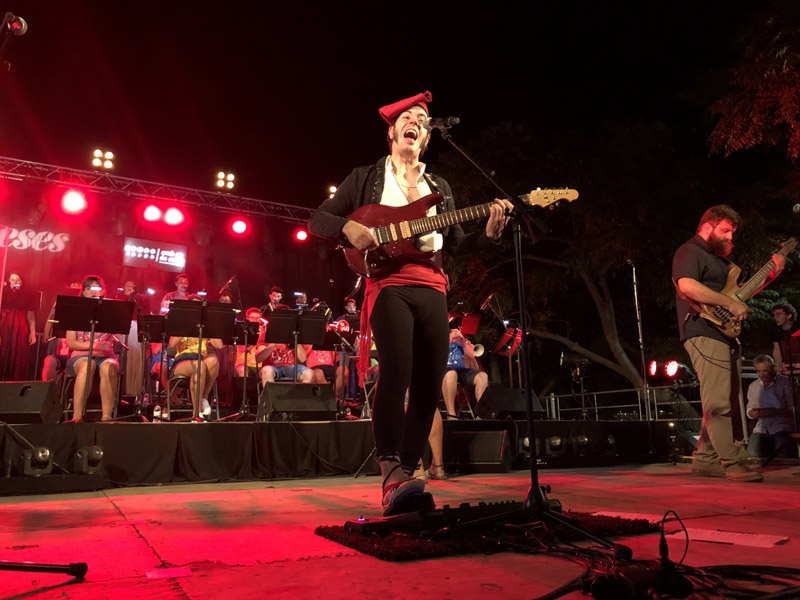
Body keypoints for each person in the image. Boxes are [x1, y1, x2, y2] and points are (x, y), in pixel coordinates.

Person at [308, 91, 512, 515]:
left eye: (423, 118)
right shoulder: (365, 176)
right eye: (409, 116)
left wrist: (488, 236)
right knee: (397, 370)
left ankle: (408, 471)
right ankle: (389, 470)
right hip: (388, 285)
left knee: (429, 382)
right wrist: (349, 229)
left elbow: (457, 244)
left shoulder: (439, 187)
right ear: (392, 132)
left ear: (426, 137)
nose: (417, 121)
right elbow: (318, 220)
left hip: (432, 286)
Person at [673, 205, 785, 482]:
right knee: (721, 402)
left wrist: (772, 272)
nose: (730, 238)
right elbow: (686, 285)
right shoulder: (690, 251)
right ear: (707, 227)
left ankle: (706, 459)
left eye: (732, 233)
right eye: (725, 231)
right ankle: (733, 462)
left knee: (722, 398)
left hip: (724, 333)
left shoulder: (721, 263)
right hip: (703, 330)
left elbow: (739, 294)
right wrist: (729, 303)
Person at [66, 276, 119, 422]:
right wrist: (93, 346)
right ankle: (77, 416)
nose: (93, 291)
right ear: (83, 292)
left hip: (105, 355)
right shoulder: (75, 312)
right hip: (80, 356)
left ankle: (106, 416)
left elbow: (118, 332)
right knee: (88, 365)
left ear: (102, 291)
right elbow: (71, 343)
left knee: (110, 367)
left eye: (97, 288)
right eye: (89, 288)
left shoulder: (110, 312)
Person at [168, 294, 223, 419]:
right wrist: (186, 323)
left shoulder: (204, 325)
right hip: (182, 361)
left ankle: (203, 399)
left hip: (201, 359)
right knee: (200, 365)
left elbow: (219, 345)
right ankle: (197, 413)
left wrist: (209, 325)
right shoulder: (181, 322)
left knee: (213, 360)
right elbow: (171, 344)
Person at [746, 354, 796, 459]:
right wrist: (752, 413)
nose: (762, 375)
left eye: (765, 371)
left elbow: (795, 409)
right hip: (761, 428)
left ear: (773, 368)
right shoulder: (753, 386)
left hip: (782, 428)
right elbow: (749, 408)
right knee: (752, 456)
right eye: (758, 371)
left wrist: (775, 411)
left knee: (783, 456)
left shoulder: (786, 383)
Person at [442, 327, 488, 419]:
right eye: (454, 331)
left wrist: (463, 343)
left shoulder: (460, 343)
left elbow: (471, 356)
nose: (456, 332)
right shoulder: (441, 339)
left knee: (482, 376)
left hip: (460, 370)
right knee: (451, 374)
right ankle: (451, 415)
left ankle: (482, 413)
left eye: (458, 331)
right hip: (444, 369)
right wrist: (449, 338)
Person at [0, 273, 37, 381]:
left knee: (18, 355)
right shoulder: (4, 294)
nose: (15, 282)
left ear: (22, 282)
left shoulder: (27, 296)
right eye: (12, 280)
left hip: (20, 327)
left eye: (17, 280)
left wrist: (33, 332)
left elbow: (31, 315)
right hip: (4, 325)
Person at [771, 302, 799, 373]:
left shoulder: (798, 328)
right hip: (786, 365)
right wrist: (778, 365)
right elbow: (776, 349)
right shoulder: (776, 331)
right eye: (774, 315)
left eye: (778, 314)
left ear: (788, 315)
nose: (775, 317)